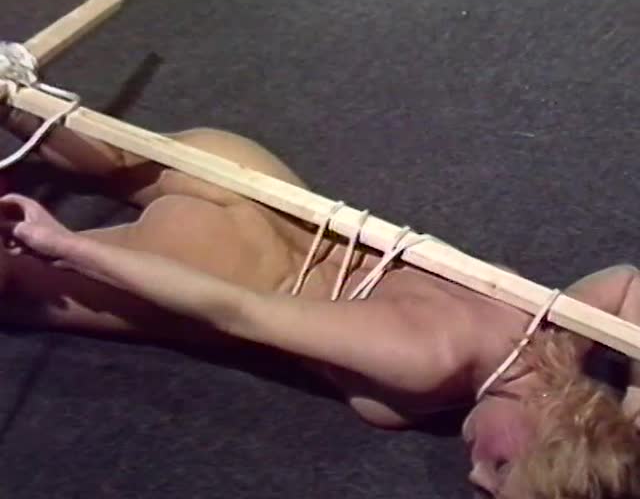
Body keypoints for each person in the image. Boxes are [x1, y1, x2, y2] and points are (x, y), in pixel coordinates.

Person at [0, 104, 639, 498]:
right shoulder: (430, 359)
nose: (474, 476)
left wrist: (632, 410)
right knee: (20, 289)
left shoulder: (555, 328)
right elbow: (236, 310)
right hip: (225, 259)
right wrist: (69, 248)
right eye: (502, 469)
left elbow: (630, 282)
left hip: (256, 179)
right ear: (556, 433)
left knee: (76, 135)